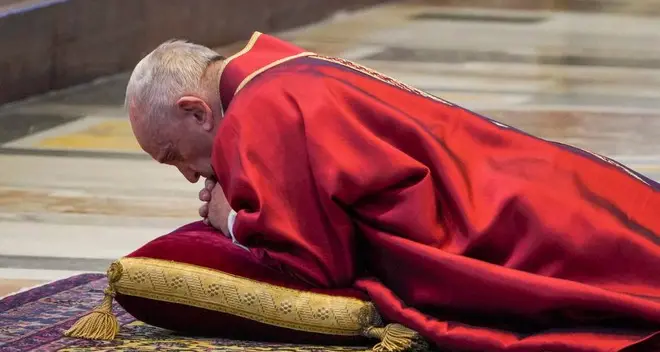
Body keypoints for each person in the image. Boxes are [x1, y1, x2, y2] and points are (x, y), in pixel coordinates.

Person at [125, 32, 660, 352]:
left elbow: (314, 262)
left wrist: (231, 222)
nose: (191, 178)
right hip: (531, 180)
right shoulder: (279, 69)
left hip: (503, 223)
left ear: (196, 110)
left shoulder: (260, 115)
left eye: (175, 156)